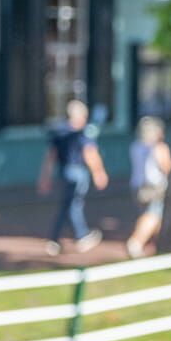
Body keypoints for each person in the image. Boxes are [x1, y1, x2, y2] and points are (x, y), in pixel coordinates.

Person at [39, 100, 109, 256]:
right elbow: (89, 153)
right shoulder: (82, 133)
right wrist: (99, 172)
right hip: (77, 172)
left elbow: (50, 157)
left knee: (66, 205)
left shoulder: (59, 132)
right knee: (74, 204)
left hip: (64, 171)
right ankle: (81, 235)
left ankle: (54, 239)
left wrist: (45, 177)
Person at [123, 117, 171, 257]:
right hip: (154, 185)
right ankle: (136, 242)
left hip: (137, 185)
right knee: (152, 214)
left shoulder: (136, 146)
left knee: (153, 215)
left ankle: (161, 243)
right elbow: (166, 166)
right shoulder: (158, 147)